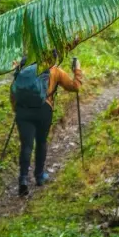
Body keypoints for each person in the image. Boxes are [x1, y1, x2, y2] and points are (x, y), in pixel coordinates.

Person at [10, 53, 83, 196]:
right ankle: (39, 176)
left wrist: (17, 109)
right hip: (44, 110)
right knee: (41, 142)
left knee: (26, 145)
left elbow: (13, 91)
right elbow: (74, 87)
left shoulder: (24, 67)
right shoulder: (54, 70)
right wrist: (77, 70)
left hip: (23, 111)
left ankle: (23, 178)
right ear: (53, 57)